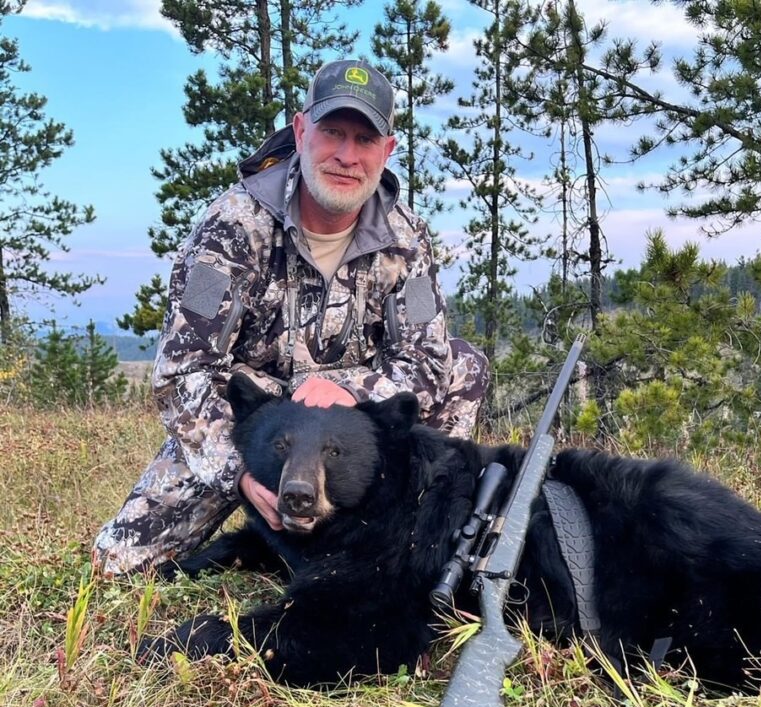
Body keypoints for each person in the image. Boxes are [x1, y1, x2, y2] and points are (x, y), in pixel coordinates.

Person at [93, 59, 488, 576]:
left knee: (465, 366)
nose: (347, 156)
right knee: (118, 564)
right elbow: (181, 373)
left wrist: (350, 389)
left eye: (365, 140)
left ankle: (415, 531)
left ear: (386, 151)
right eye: (333, 133)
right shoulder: (231, 229)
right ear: (302, 130)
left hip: (349, 430)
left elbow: (429, 359)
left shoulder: (405, 239)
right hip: (257, 424)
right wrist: (242, 473)